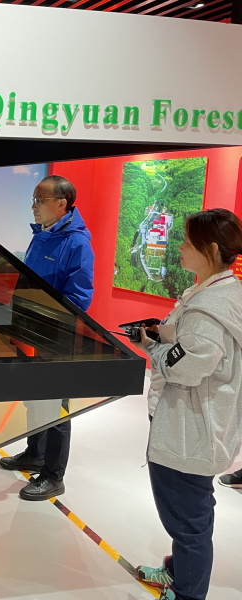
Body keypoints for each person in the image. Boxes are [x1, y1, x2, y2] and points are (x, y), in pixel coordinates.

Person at [134, 209, 242, 600]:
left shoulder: (208, 309)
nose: (179, 247)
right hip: (199, 425)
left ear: (210, 249)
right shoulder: (220, 295)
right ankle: (178, 575)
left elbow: (187, 368)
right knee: (190, 513)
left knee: (188, 523)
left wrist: (152, 346)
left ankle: (187, 593)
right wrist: (166, 336)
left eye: (186, 241)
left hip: (190, 431)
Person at [0, 175, 95, 501]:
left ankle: (53, 475)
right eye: (34, 199)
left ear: (62, 204)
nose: (34, 206)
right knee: (35, 396)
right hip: (31, 331)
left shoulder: (77, 243)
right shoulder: (41, 235)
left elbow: (79, 298)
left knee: (56, 405)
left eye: (40, 200)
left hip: (57, 336)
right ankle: (35, 452)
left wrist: (49, 322)